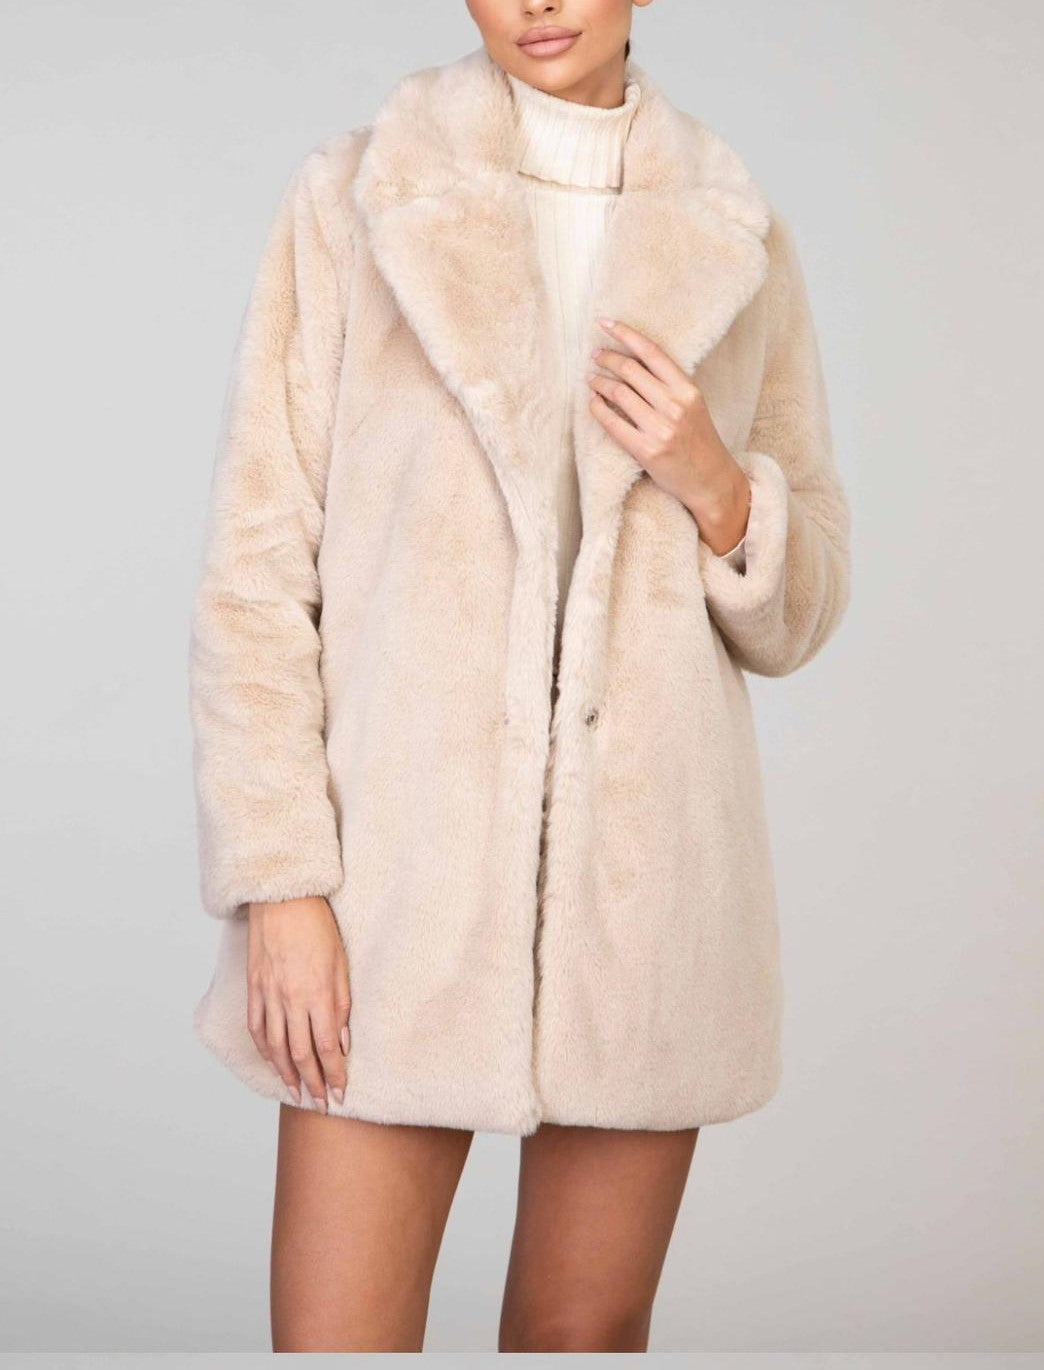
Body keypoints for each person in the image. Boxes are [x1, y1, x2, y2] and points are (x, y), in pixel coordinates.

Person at [188, 0, 851, 1353]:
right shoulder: (360, 196)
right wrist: (282, 884)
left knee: (582, 1337)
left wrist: (718, 485)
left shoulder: (734, 230)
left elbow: (801, 609)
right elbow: (255, 575)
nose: (538, 1)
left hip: (645, 901)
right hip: (396, 888)